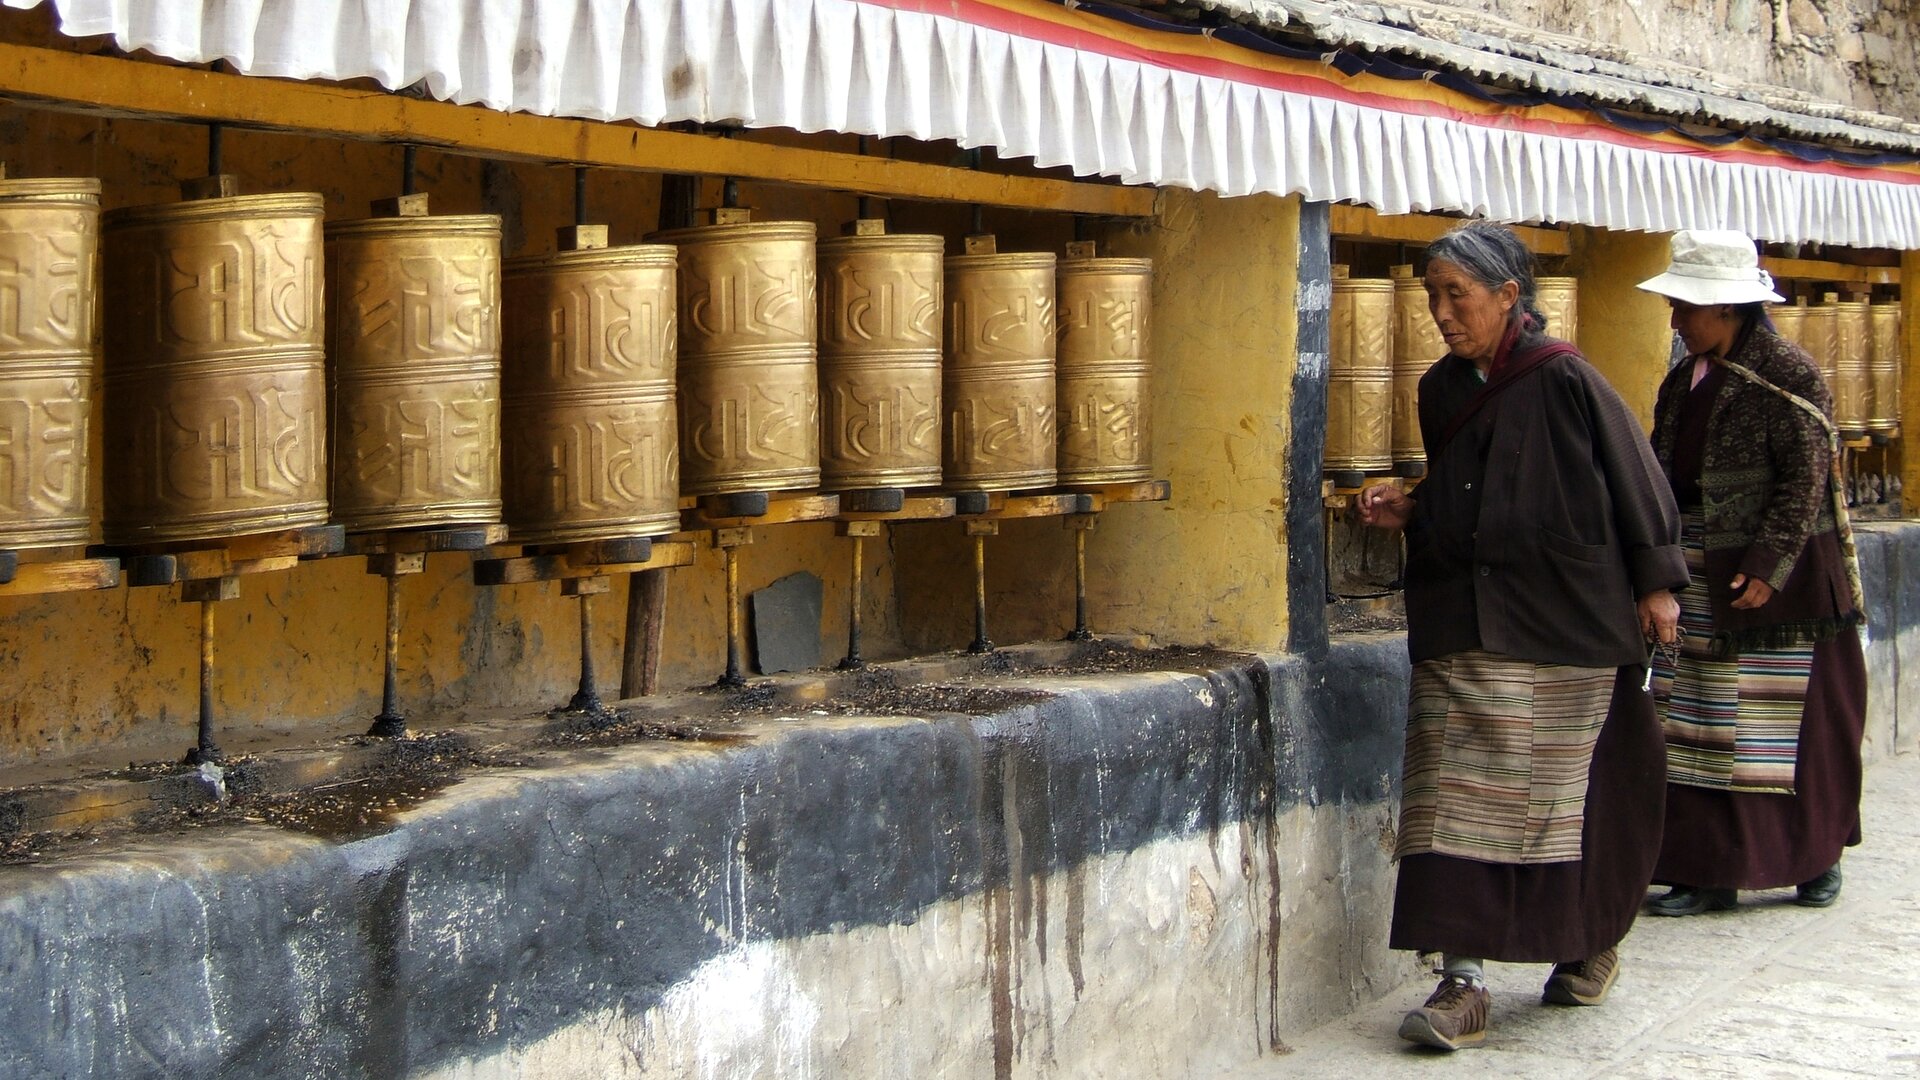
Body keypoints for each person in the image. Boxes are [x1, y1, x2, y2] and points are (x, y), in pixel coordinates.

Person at [1359, 221, 1687, 1052]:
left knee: (1570, 801)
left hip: (1567, 619)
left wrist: (1656, 587)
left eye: (1455, 295)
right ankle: (1461, 980)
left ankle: (1587, 940)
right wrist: (1414, 507)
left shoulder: (1567, 378)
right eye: (1431, 295)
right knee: (1450, 800)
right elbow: (1468, 491)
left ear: (1509, 296)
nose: (1439, 311)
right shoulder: (1439, 389)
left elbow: (1634, 479)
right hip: (1464, 623)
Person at [1636, 230, 1868, 917]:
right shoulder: (1685, 379)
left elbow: (1807, 475)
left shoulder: (1789, 375)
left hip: (1787, 578)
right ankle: (1707, 869)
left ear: (1729, 309)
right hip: (1703, 568)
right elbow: (1660, 466)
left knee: (1797, 726)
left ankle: (1817, 856)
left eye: (1688, 307)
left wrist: (1769, 562)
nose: (1677, 319)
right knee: (1698, 718)